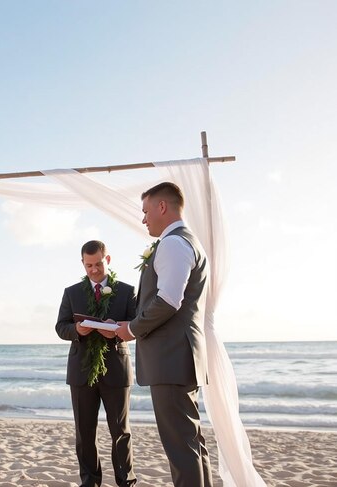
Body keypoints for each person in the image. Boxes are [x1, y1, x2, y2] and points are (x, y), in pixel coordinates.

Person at [116, 182, 213, 487]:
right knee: (191, 443)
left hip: (171, 358)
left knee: (181, 448)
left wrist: (131, 329)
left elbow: (170, 300)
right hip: (182, 356)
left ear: (162, 207)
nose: (143, 219)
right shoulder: (188, 242)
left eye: (145, 211)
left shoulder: (172, 244)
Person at [55, 240, 137, 487]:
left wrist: (119, 331)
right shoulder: (72, 292)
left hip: (117, 371)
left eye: (98, 264)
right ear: (82, 263)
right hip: (81, 371)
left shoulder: (126, 291)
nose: (93, 270)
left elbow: (137, 328)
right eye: (88, 265)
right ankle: (90, 482)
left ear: (108, 260)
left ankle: (126, 482)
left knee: (120, 432)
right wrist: (77, 329)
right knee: (84, 432)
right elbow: (61, 327)